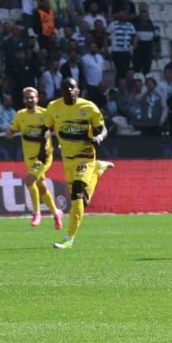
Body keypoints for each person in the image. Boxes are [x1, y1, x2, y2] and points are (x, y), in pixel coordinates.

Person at [44, 78, 113, 249]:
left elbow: (103, 129)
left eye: (72, 87)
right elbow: (45, 127)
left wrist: (99, 137)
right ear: (61, 91)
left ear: (78, 91)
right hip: (68, 159)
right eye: (65, 87)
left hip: (85, 156)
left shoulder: (88, 108)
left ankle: (69, 238)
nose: (69, 90)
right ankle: (97, 171)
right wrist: (43, 147)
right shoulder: (53, 107)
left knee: (76, 191)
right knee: (82, 201)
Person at [6, 87, 64, 229]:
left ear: (37, 98)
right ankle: (56, 212)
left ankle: (36, 213)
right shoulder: (20, 115)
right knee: (40, 185)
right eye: (27, 98)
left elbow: (58, 129)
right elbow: (11, 132)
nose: (29, 100)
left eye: (32, 97)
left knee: (29, 180)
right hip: (29, 158)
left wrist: (62, 143)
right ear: (23, 99)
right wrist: (8, 133)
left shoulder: (45, 114)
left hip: (43, 156)